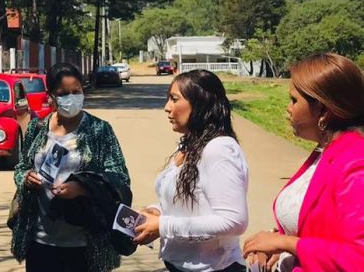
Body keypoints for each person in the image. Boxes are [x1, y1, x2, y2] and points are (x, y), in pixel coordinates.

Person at [243, 53, 364, 271]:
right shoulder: (325, 151)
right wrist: (279, 243)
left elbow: (358, 258)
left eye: (294, 100)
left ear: (323, 110)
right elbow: (323, 226)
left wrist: (287, 243)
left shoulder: (355, 163)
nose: (288, 108)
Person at [11, 62, 131, 272]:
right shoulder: (36, 128)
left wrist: (83, 188)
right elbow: (21, 167)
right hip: (40, 242)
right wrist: (26, 179)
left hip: (85, 243)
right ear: (51, 96)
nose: (71, 98)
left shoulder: (99, 130)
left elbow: (120, 178)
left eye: (76, 91)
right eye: (63, 93)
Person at [133, 69, 248, 272]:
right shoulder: (190, 144)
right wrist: (156, 211)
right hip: (179, 265)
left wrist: (163, 226)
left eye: (174, 99)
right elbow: (191, 203)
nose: (167, 107)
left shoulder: (219, 149)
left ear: (200, 103)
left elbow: (233, 221)